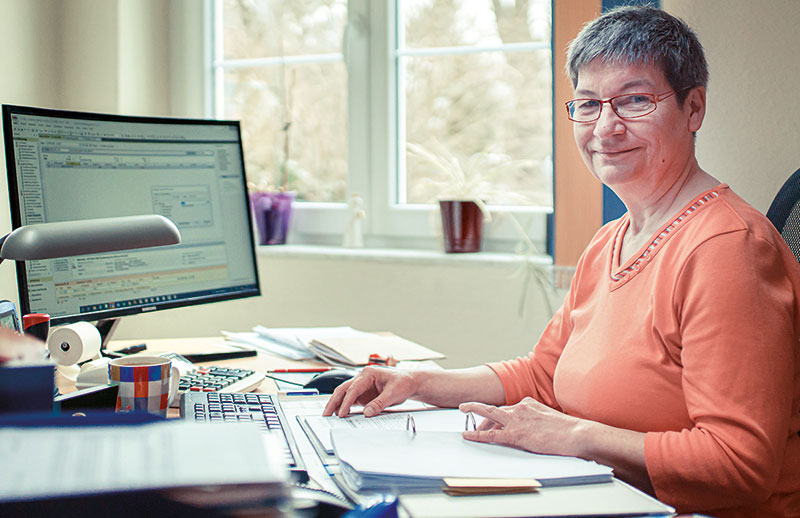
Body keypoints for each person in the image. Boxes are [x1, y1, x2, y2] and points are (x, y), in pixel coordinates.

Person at [323, 5, 800, 517]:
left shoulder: (728, 249)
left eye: (635, 100)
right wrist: (417, 383)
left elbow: (739, 466)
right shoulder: (610, 241)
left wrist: (574, 436)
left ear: (693, 108)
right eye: (589, 104)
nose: (606, 127)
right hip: (608, 495)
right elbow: (541, 375)